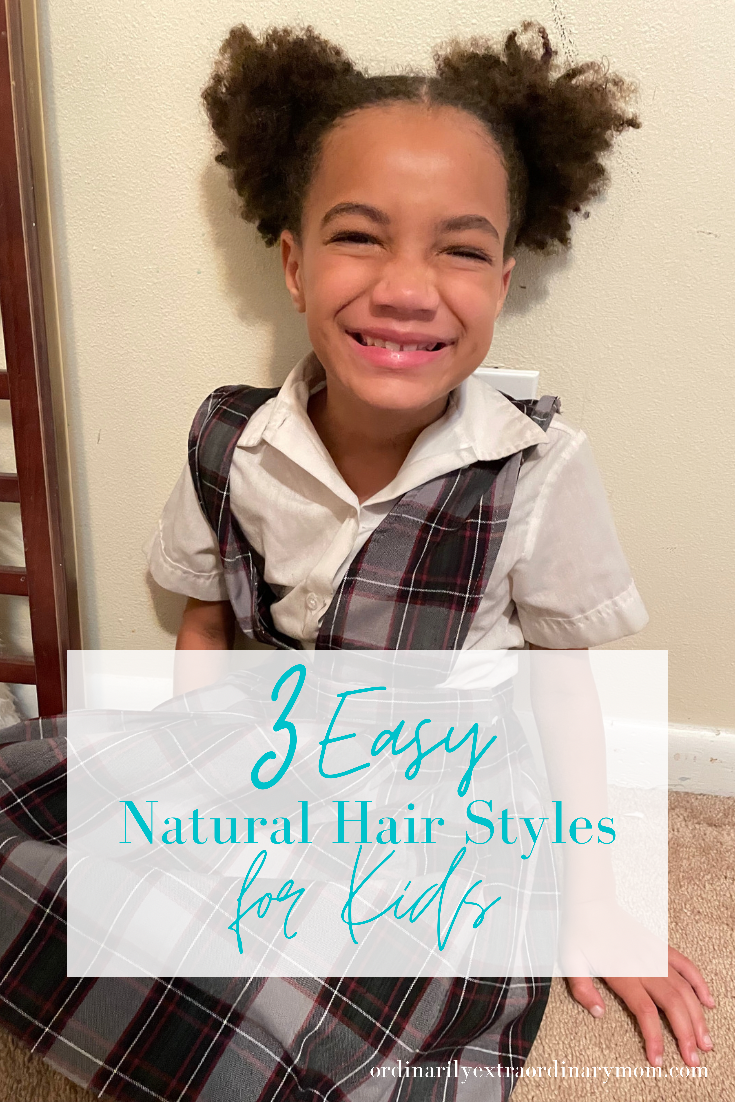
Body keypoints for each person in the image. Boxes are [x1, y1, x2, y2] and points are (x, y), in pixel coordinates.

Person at [137, 21, 712, 1098]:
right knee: (110, 901)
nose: (407, 288)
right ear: (294, 265)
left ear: (502, 278)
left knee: (334, 1021)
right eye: (360, 236)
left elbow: (564, 686)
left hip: (443, 803)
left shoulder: (534, 469)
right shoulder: (229, 440)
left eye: (459, 249)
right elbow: (206, 621)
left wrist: (597, 900)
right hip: (275, 766)